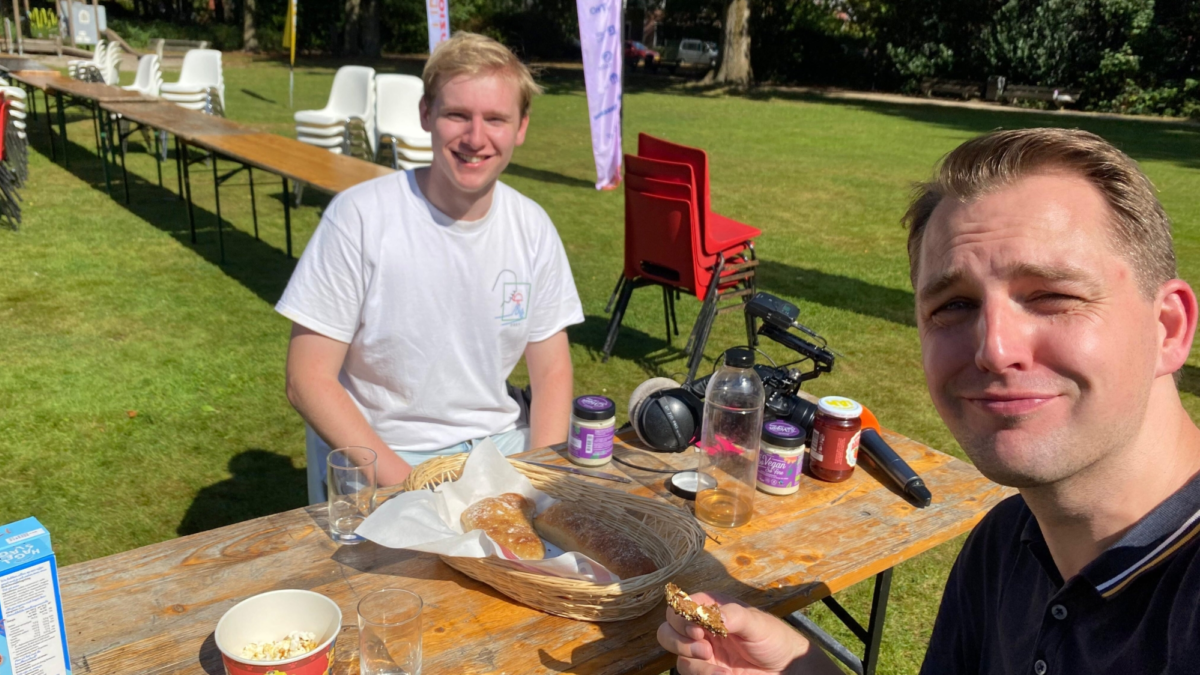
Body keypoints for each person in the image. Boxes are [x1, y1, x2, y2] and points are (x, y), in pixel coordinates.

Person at [658, 128, 1200, 674]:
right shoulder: (1005, 543)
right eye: (955, 305)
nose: (994, 349)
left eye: (1053, 296)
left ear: (1168, 328)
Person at [277, 32, 584, 504]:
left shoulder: (532, 226)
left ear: (521, 127)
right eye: (457, 114)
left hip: (499, 449)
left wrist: (536, 476)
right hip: (388, 452)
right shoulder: (359, 216)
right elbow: (307, 378)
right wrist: (407, 484)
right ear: (426, 115)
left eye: (495, 119)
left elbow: (552, 371)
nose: (475, 138)